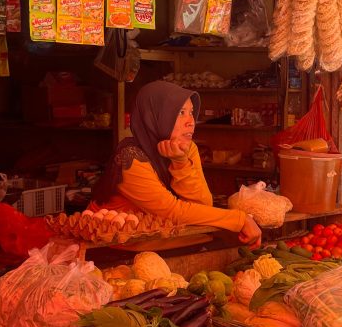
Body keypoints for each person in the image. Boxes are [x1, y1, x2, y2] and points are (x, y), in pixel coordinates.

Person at [92, 80, 262, 246]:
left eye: (191, 112)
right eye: (181, 113)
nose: (191, 121)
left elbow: (201, 205)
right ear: (155, 116)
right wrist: (239, 219)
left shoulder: (186, 149)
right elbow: (172, 212)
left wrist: (180, 163)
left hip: (164, 243)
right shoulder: (130, 158)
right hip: (116, 250)